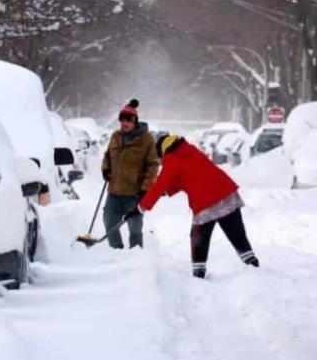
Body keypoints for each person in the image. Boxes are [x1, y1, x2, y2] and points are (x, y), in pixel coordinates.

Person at [129, 134, 260, 278]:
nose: (160, 161)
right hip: (227, 195)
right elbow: (182, 178)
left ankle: (198, 274)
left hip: (206, 203)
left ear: (162, 151)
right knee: (237, 235)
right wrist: (156, 194)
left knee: (198, 238)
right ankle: (254, 267)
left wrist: (140, 208)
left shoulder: (171, 159)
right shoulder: (189, 149)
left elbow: (161, 184)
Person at [101, 99, 159, 249]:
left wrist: (145, 189)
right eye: (122, 120)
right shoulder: (115, 136)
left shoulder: (146, 140)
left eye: (128, 120)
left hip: (134, 194)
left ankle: (136, 258)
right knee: (109, 223)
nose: (124, 123)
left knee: (135, 229)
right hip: (114, 192)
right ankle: (117, 252)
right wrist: (105, 169)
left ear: (135, 121)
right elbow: (107, 155)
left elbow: (152, 165)